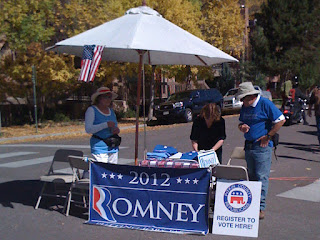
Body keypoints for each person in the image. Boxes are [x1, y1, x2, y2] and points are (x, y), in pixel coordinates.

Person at [236, 82, 285, 220]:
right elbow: (241, 122)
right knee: (251, 176)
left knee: (261, 177)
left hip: (261, 147)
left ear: (250, 96)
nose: (242, 102)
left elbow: (280, 120)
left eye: (243, 99)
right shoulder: (245, 107)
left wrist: (269, 136)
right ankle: (252, 205)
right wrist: (242, 127)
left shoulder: (264, 104)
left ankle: (260, 208)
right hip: (249, 145)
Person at [85, 87, 120, 163]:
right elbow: (88, 129)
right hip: (99, 146)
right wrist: (106, 125)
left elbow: (115, 125)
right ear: (99, 99)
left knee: (113, 171)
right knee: (102, 170)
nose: (108, 100)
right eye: (105, 97)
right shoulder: (91, 110)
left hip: (113, 145)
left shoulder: (111, 111)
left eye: (109, 97)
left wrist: (116, 130)